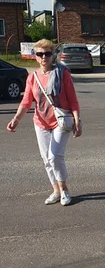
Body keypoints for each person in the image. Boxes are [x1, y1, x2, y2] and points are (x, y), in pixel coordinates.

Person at [7, 39, 82, 205]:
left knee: (54, 156)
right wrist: (16, 119)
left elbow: (73, 101)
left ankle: (64, 191)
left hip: (60, 122)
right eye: (39, 54)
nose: (43, 57)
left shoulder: (62, 74)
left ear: (52, 55)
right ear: (35, 56)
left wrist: (77, 121)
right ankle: (55, 190)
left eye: (47, 54)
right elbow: (26, 102)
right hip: (40, 122)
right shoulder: (32, 77)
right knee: (46, 159)